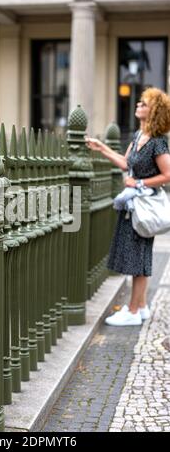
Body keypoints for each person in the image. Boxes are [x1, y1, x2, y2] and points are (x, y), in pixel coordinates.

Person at [85, 87, 170, 326]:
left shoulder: (157, 143)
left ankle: (132, 312)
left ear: (154, 111)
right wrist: (101, 148)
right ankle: (141, 307)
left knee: (137, 258)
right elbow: (125, 162)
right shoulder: (138, 136)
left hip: (144, 206)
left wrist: (139, 181)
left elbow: (168, 174)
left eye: (143, 103)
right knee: (138, 257)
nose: (138, 105)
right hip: (134, 205)